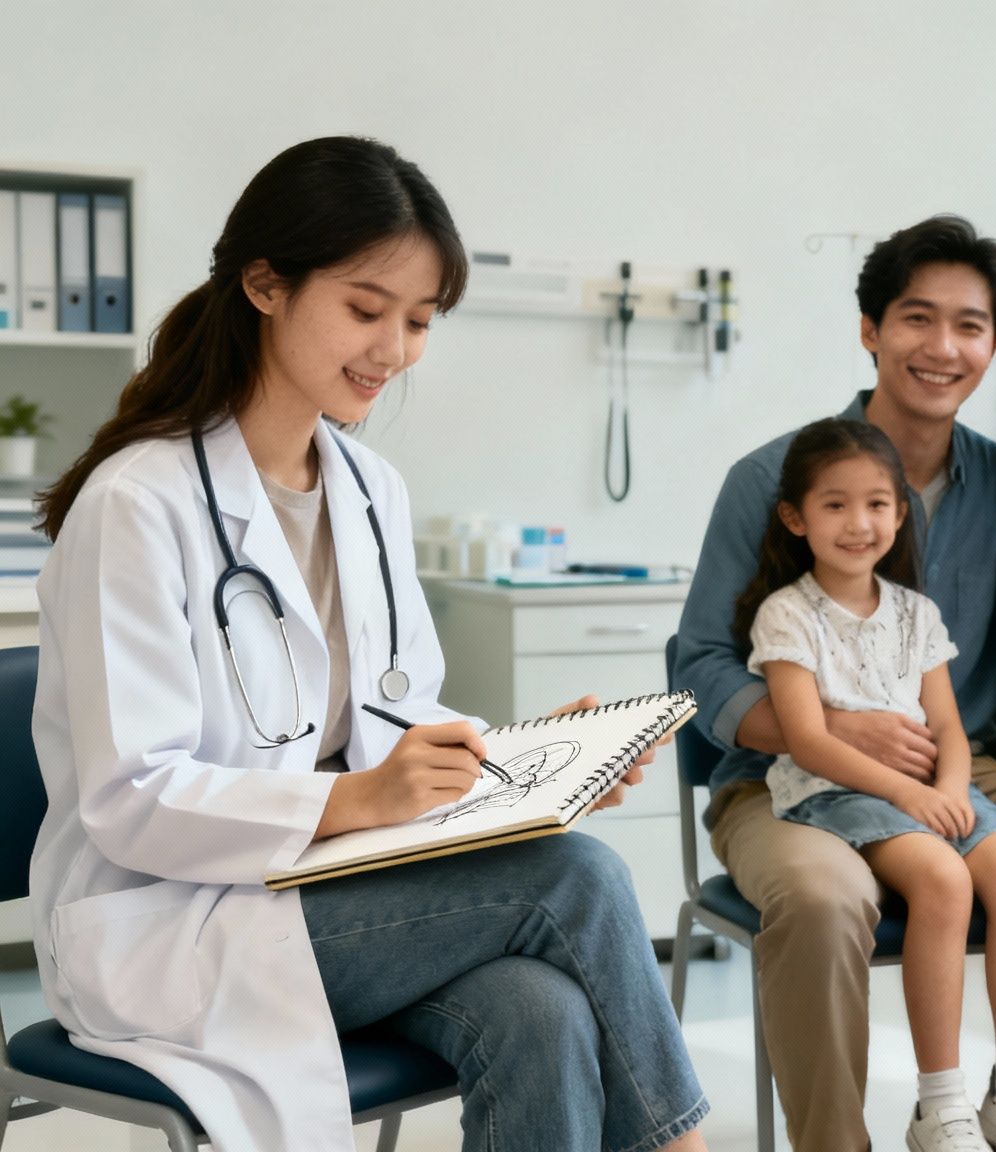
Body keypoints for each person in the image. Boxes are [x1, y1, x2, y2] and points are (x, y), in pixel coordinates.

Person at [29, 137, 707, 1152]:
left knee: (540, 1011)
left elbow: (393, 712)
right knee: (577, 877)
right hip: (171, 923)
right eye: (365, 308)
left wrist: (519, 765)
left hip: (326, 893)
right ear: (265, 283)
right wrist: (354, 798)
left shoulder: (365, 487)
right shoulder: (138, 503)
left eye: (420, 322)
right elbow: (133, 801)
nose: (393, 350)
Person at [672, 215, 996, 1151]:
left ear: (992, 346)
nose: (943, 348)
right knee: (822, 898)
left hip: (960, 766)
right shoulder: (769, 477)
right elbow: (699, 667)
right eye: (916, 319)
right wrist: (834, 730)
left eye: (970, 326)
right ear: (870, 329)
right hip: (779, 783)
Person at [738, 417, 996, 1152]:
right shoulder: (787, 614)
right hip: (836, 790)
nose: (859, 523)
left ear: (899, 512)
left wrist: (950, 788)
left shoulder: (916, 613)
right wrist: (909, 797)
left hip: (924, 786)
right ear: (796, 518)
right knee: (943, 881)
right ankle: (940, 1106)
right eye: (835, 505)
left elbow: (949, 727)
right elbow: (808, 741)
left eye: (877, 504)